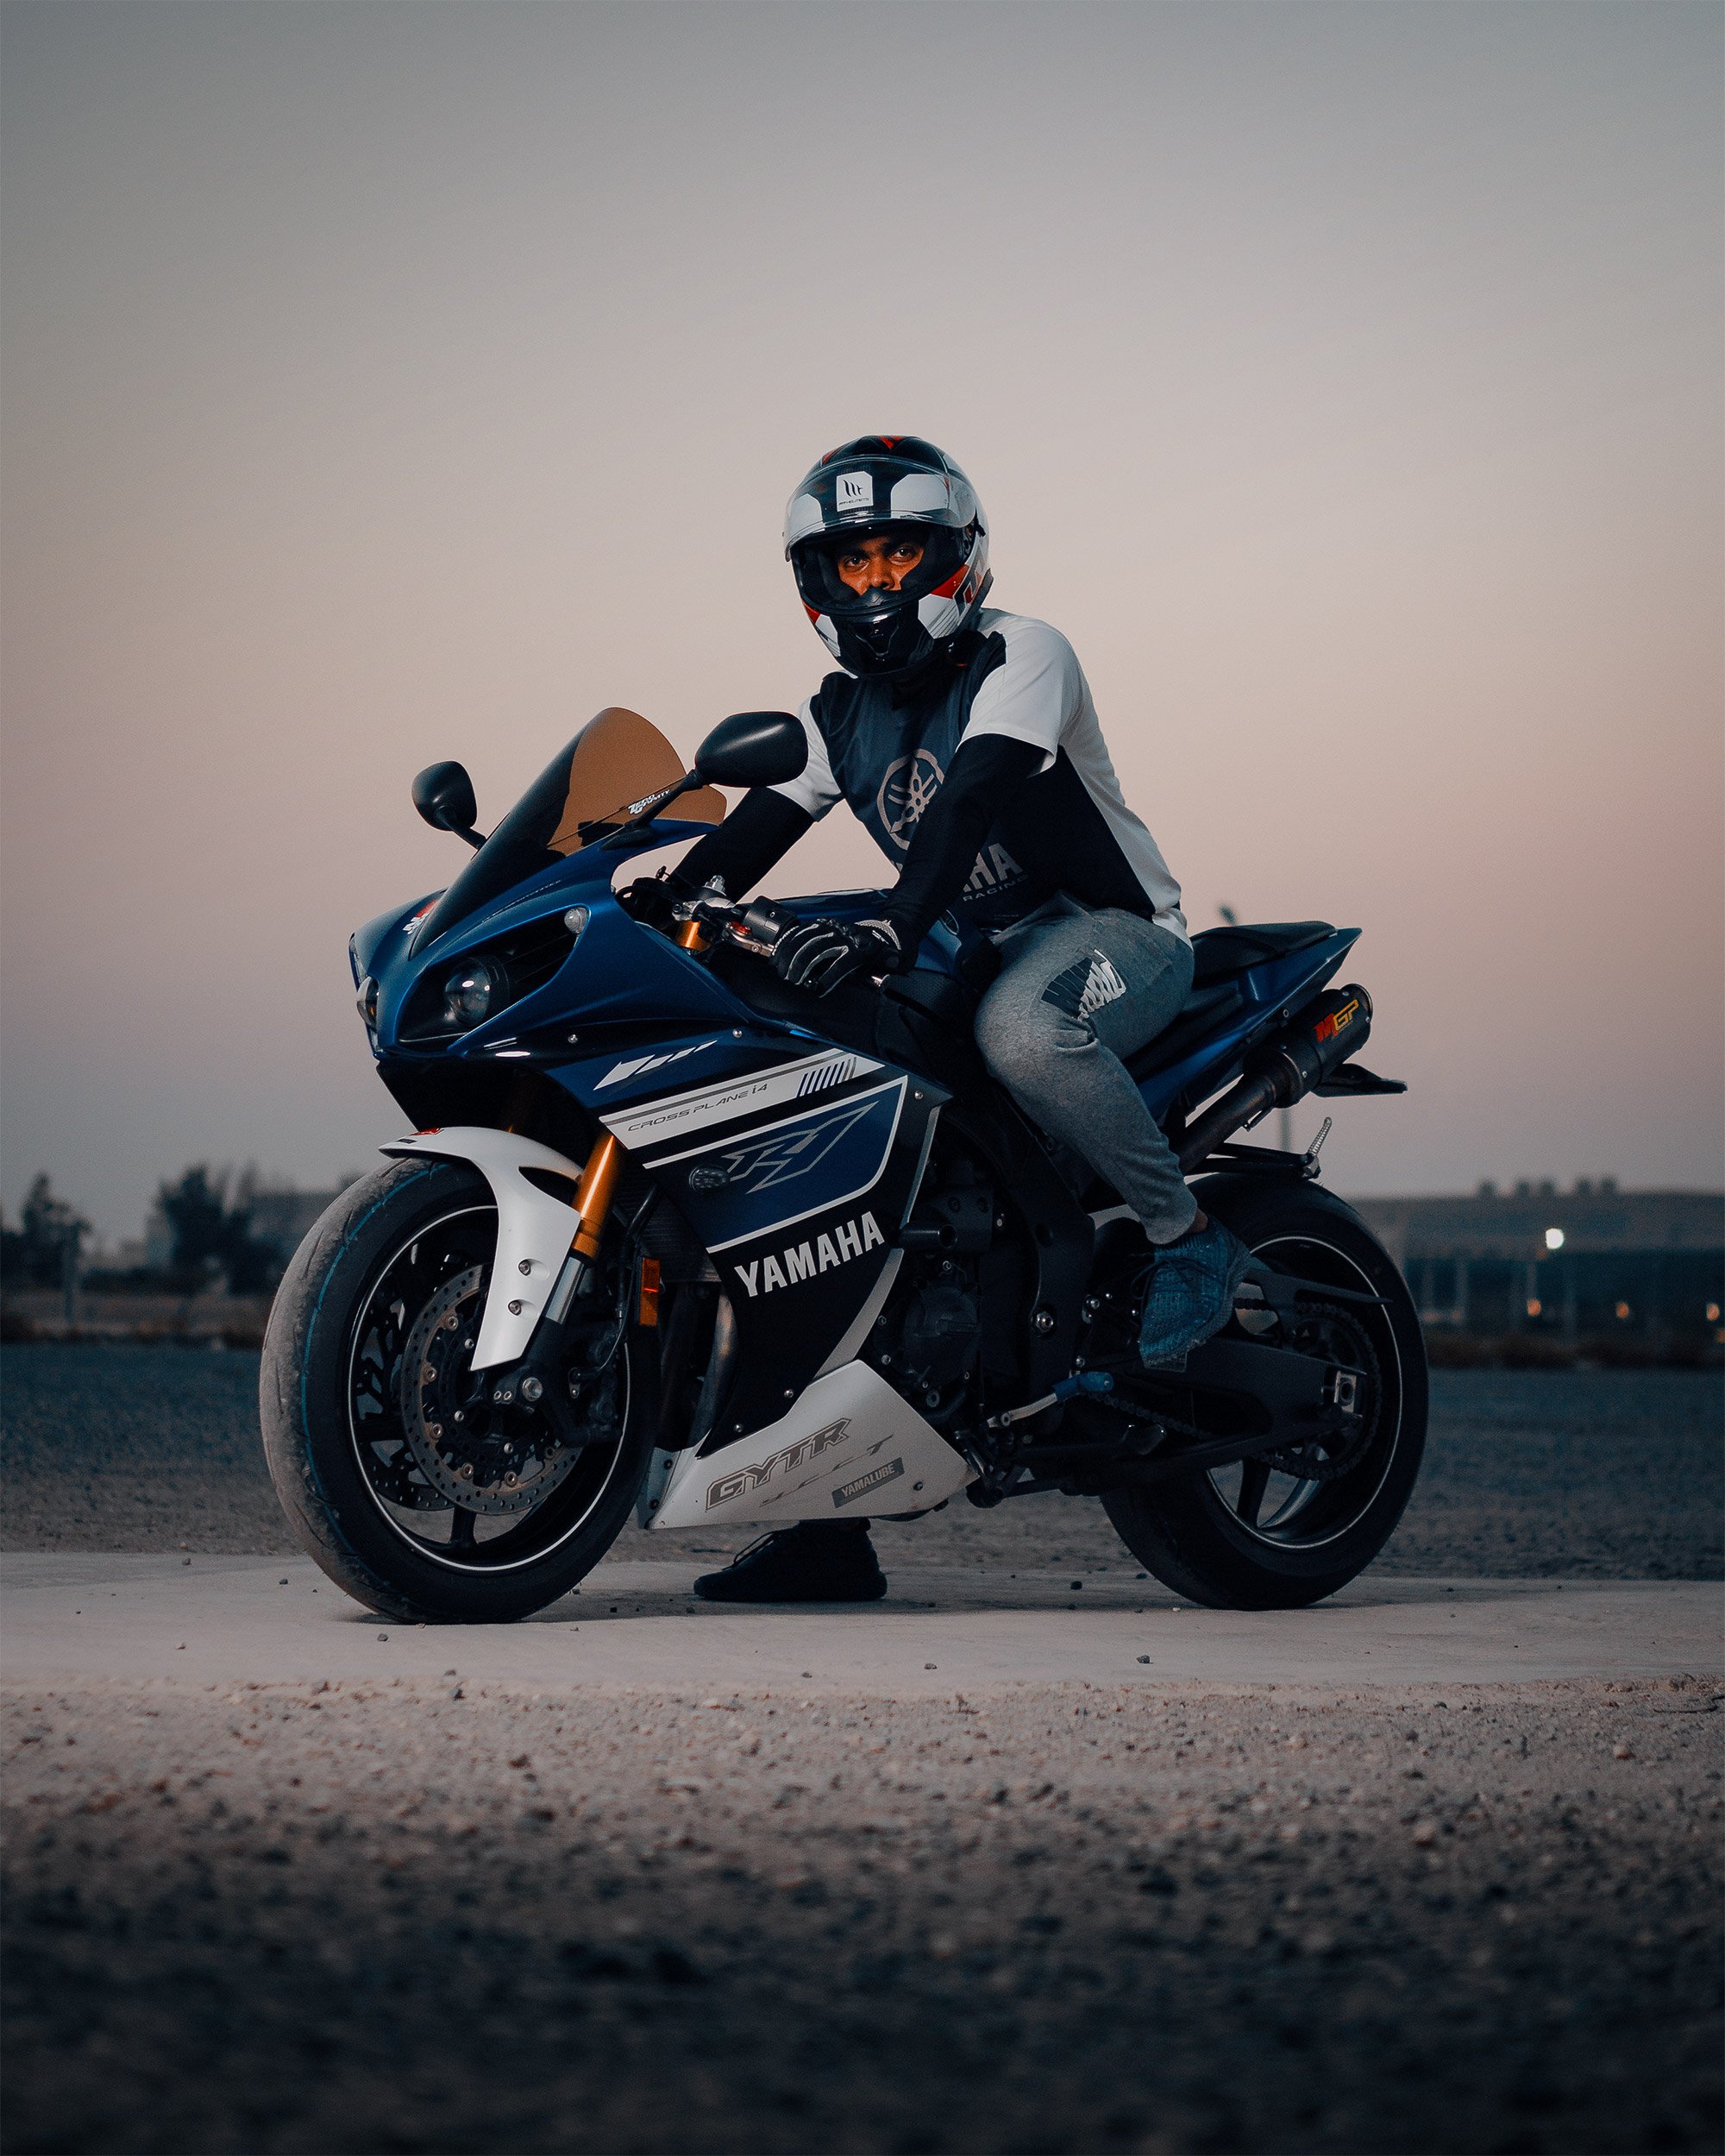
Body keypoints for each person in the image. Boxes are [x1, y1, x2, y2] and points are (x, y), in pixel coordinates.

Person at [626, 436, 1249, 1604]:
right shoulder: (837, 713)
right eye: (850, 563)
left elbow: (969, 799)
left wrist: (893, 931)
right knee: (827, 1101)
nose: (874, 587)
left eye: (898, 553)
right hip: (964, 938)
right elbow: (760, 824)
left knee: (1023, 1032)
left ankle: (1185, 1238)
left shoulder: (1026, 654)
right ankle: (828, 1516)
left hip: (1111, 937)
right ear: (816, 580)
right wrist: (672, 897)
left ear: (955, 557)